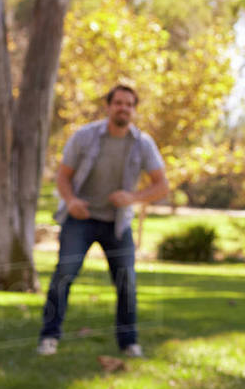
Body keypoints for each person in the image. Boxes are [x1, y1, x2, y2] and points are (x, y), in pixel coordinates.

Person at [37, 84, 169, 358]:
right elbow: (63, 176)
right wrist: (71, 201)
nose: (124, 108)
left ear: (134, 110)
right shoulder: (85, 137)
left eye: (129, 104)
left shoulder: (142, 143)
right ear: (108, 107)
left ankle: (129, 342)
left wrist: (132, 197)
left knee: (126, 282)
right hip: (80, 218)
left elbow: (161, 186)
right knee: (64, 274)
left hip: (117, 223)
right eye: (118, 103)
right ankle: (49, 337)